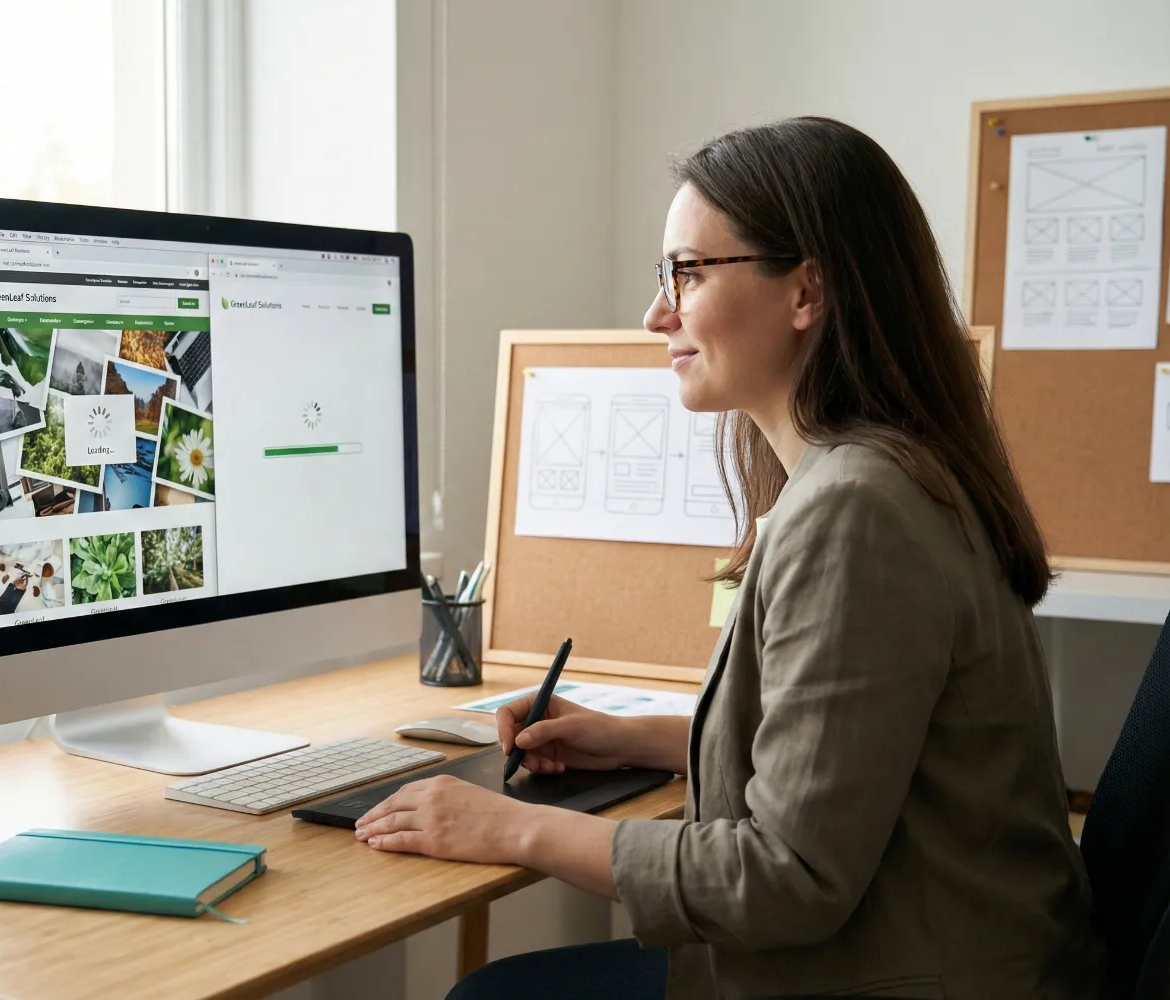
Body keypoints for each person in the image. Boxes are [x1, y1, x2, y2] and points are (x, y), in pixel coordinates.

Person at [354, 117, 1106, 999]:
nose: (655, 312)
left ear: (806, 292)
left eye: (688, 272)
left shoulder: (857, 512)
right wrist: (633, 738)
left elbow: (787, 875)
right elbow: (851, 756)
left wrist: (509, 827)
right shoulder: (882, 474)